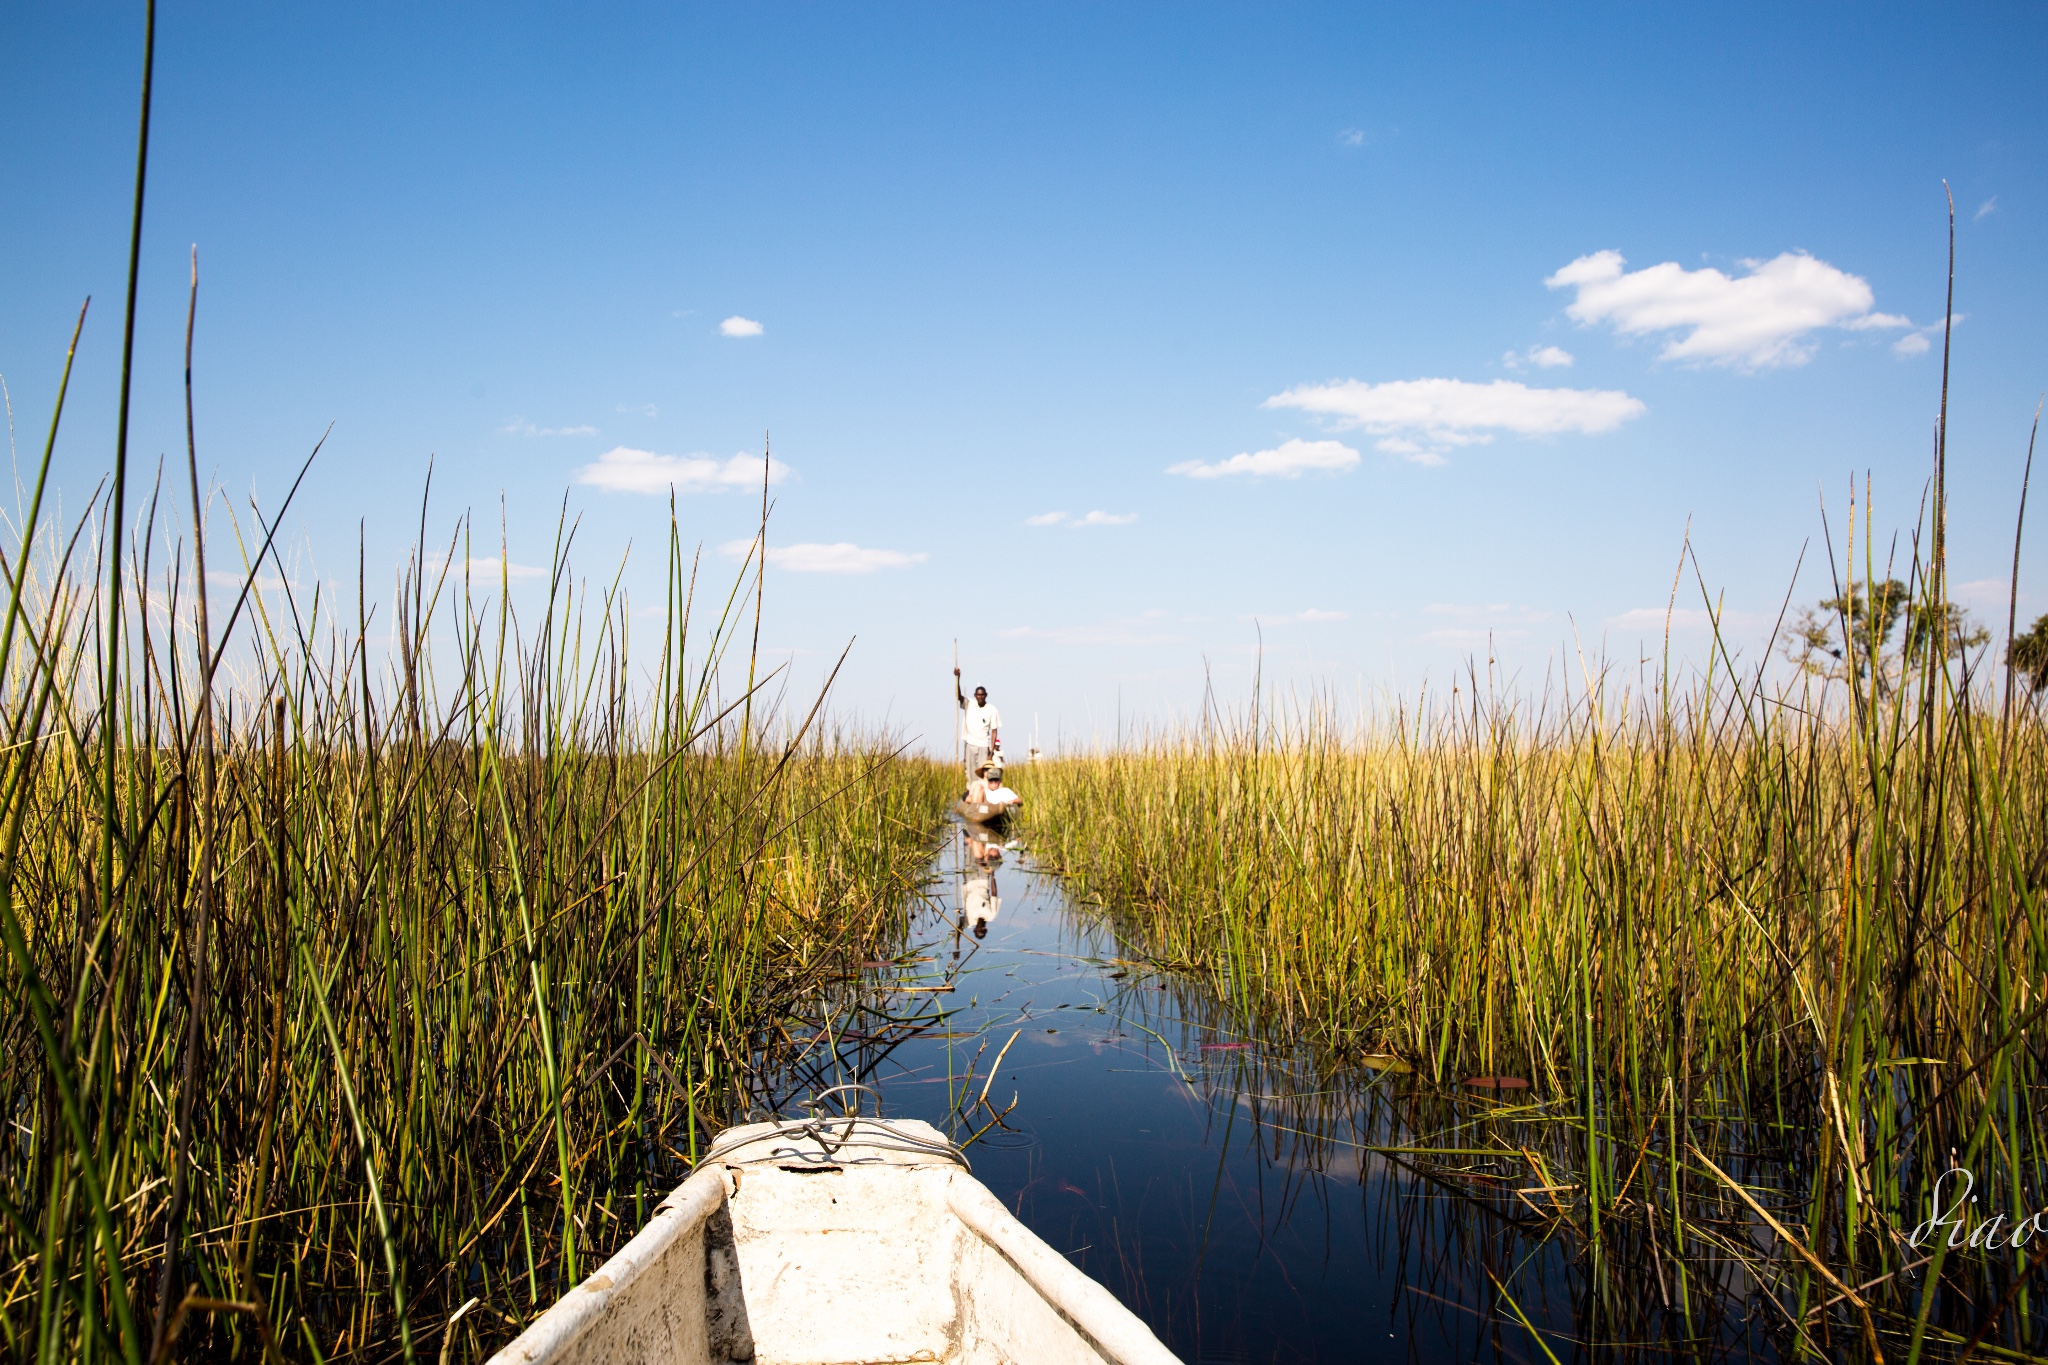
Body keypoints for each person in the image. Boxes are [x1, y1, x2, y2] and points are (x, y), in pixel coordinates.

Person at [955, 668, 1000, 778]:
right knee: (971, 774)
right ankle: (972, 792)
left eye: (982, 695)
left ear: (986, 695)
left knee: (983, 773)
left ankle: (983, 793)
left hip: (984, 745)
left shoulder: (991, 709)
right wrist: (957, 678)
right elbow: (958, 696)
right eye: (978, 695)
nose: (980, 697)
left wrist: (991, 752)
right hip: (970, 743)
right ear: (975, 695)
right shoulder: (969, 704)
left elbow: (994, 731)